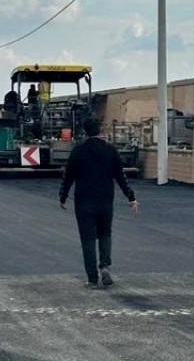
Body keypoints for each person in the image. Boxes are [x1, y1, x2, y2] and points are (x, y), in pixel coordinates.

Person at [59, 118, 138, 289]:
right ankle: (105, 266)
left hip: (84, 201)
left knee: (87, 239)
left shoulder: (78, 151)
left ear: (85, 131)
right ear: (100, 130)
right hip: (105, 200)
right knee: (105, 234)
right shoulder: (111, 151)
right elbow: (120, 176)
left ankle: (92, 279)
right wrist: (130, 197)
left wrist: (63, 196)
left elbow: (68, 176)